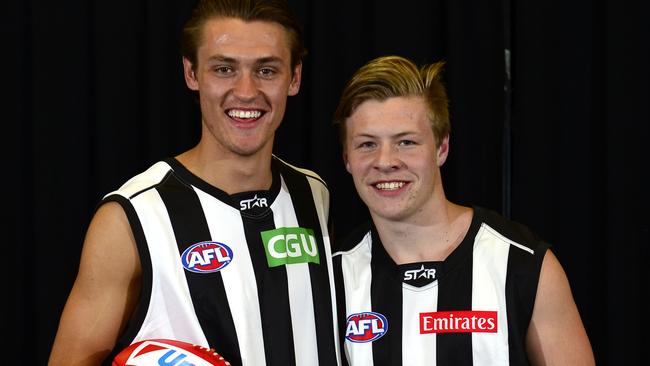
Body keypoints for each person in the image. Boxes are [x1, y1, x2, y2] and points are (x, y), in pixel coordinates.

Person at [49, 1, 342, 365]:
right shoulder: (133, 217)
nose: (246, 91)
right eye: (224, 69)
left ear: (294, 78)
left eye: (266, 70)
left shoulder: (314, 194)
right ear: (192, 73)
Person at [331, 55, 594, 365]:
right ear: (347, 157)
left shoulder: (522, 265)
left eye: (406, 142)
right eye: (367, 144)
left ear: (442, 148)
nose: (385, 161)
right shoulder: (332, 278)